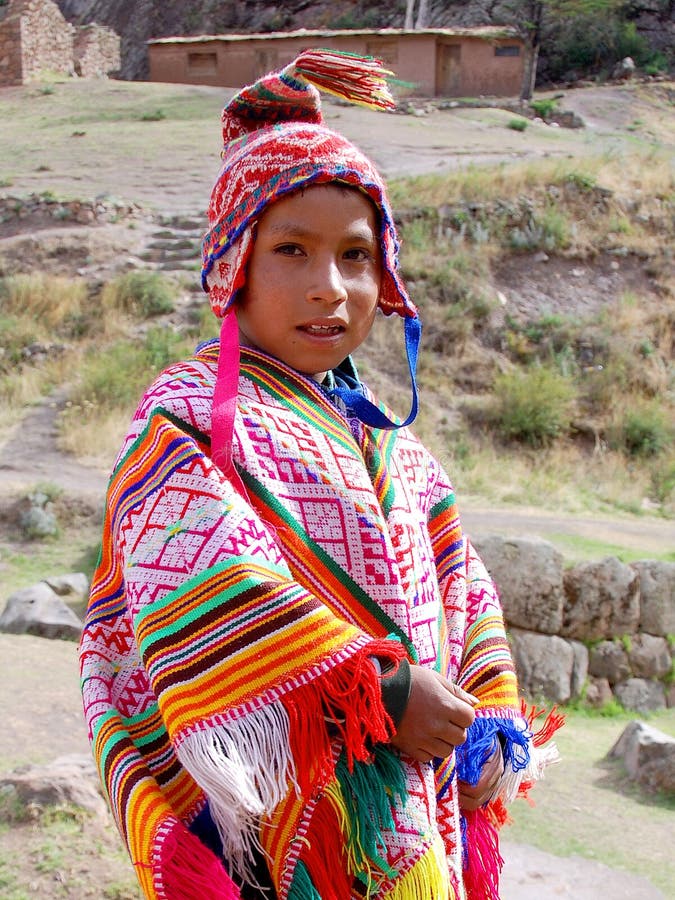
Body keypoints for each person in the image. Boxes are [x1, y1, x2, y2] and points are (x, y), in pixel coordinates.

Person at [79, 49, 562, 900]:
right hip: (287, 822)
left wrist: (485, 714)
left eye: (355, 257)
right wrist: (374, 688)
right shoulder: (183, 417)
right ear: (233, 265)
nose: (328, 288)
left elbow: (461, 584)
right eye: (291, 251)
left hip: (416, 806)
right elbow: (193, 575)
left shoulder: (391, 444)